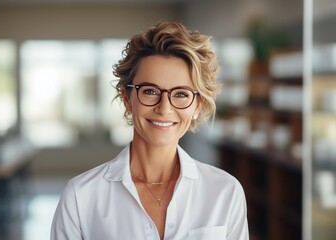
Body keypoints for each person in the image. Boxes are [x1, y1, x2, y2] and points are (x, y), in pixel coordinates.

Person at [50, 21, 249, 240]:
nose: (164, 108)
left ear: (197, 105)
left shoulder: (225, 192)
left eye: (181, 94)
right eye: (150, 91)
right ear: (127, 98)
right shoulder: (80, 197)